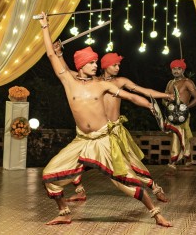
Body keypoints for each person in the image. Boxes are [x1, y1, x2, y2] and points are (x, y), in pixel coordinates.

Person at [37, 13, 172, 227]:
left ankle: (156, 214)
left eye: (95, 62)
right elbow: (51, 55)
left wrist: (150, 105)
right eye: (91, 63)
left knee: (126, 180)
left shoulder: (102, 85)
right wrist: (45, 27)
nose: (95, 65)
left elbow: (130, 96)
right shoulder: (69, 82)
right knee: (49, 175)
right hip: (82, 141)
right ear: (81, 66)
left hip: (103, 141)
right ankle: (64, 212)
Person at [97, 51, 173, 202]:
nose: (118, 68)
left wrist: (166, 96)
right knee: (81, 158)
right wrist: (57, 55)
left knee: (131, 162)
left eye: (119, 65)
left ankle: (155, 188)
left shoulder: (120, 81)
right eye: (114, 65)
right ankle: (79, 189)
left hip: (115, 131)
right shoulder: (94, 82)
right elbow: (69, 74)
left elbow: (144, 91)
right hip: (98, 131)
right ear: (105, 66)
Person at [163, 58, 196, 172]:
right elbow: (164, 98)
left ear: (183, 70)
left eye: (178, 69)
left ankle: (173, 162)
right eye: (174, 69)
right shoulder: (170, 83)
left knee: (177, 135)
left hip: (182, 115)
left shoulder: (187, 82)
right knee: (182, 136)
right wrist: (167, 104)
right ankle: (188, 160)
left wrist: (185, 108)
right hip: (171, 114)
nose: (176, 71)